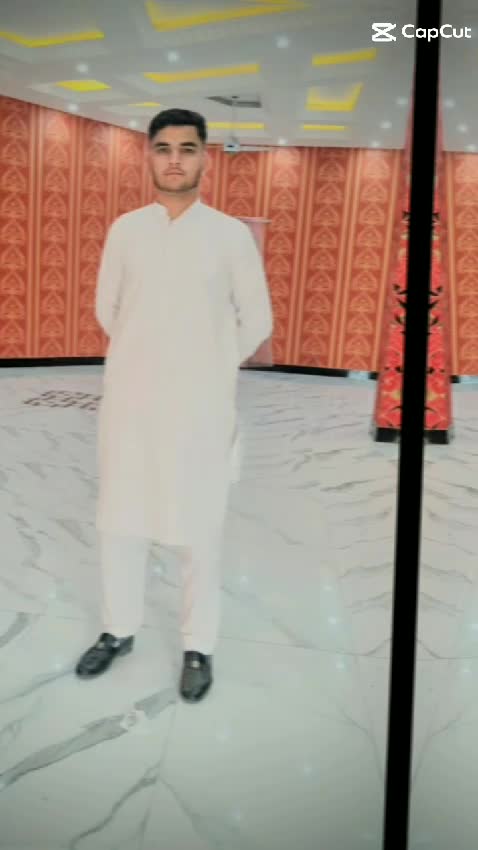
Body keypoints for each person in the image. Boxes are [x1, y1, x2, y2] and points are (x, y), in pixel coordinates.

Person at [75, 108, 273, 702]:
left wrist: (210, 367)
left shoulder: (229, 235)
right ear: (149, 156)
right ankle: (118, 629)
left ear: (205, 156)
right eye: (163, 148)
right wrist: (145, 360)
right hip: (131, 405)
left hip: (200, 410)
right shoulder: (126, 230)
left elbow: (257, 319)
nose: (175, 160)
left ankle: (197, 644)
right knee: (120, 522)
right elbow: (108, 310)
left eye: (187, 148)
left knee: (199, 529)